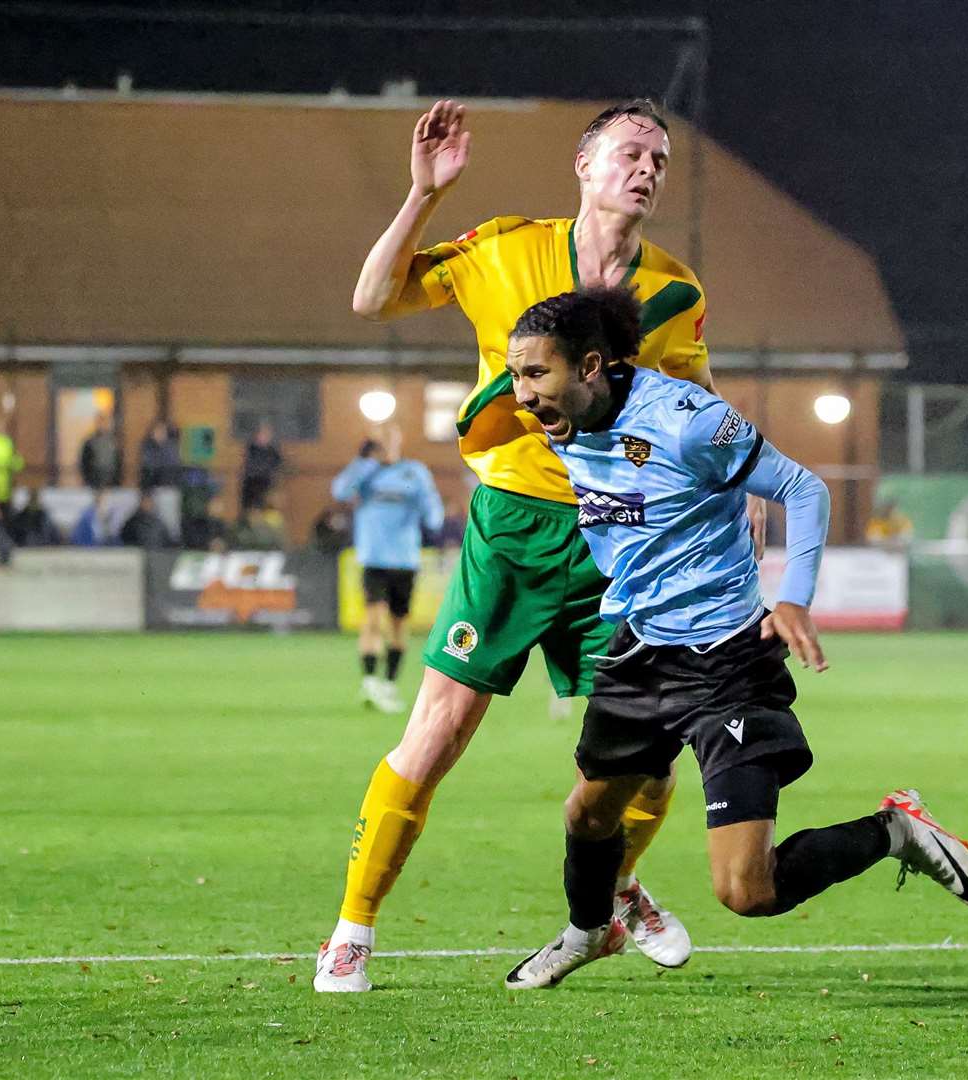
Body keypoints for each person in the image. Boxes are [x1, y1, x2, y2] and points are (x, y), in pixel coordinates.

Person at [315, 97, 766, 992]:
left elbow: (700, 405)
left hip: (621, 540)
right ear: (584, 164)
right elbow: (371, 299)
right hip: (514, 527)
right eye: (630, 152)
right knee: (437, 731)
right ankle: (352, 931)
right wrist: (422, 196)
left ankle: (616, 890)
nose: (646, 169)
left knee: (646, 752)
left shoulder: (675, 291)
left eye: (660, 160)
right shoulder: (505, 249)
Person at [499, 289, 968, 988]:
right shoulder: (556, 406)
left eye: (535, 376)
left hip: (725, 661)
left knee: (746, 892)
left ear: (591, 367)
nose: (522, 393)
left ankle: (895, 830)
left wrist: (793, 597)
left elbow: (804, 488)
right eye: (515, 375)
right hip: (640, 647)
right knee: (588, 811)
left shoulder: (683, 422)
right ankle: (586, 932)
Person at [332, 425, 444, 714]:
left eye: (390, 440)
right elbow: (340, 491)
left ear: (399, 441)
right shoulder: (366, 473)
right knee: (372, 617)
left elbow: (432, 510)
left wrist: (431, 516)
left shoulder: (414, 472)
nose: (386, 446)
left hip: (405, 559)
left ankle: (389, 684)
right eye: (380, 442)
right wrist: (363, 460)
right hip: (374, 557)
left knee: (397, 625)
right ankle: (369, 682)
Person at [240, 420, 283, 512]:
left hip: (266, 484)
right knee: (250, 510)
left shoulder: (273, 451)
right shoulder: (251, 449)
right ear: (257, 435)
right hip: (252, 483)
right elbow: (251, 467)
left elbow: (278, 464)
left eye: (267, 434)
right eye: (263, 434)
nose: (265, 437)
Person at [79, 413, 123, 491]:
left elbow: (118, 461)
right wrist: (87, 479)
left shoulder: (114, 441)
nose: (103, 425)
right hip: (94, 480)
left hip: (110, 481)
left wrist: (117, 480)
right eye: (100, 422)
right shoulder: (90, 442)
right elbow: (84, 461)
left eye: (105, 422)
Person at [138, 420, 183, 490]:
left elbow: (172, 463)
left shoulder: (171, 446)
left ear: (166, 434)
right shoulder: (148, 445)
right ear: (152, 433)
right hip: (151, 480)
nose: (159, 434)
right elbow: (147, 463)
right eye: (156, 431)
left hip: (168, 480)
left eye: (162, 432)